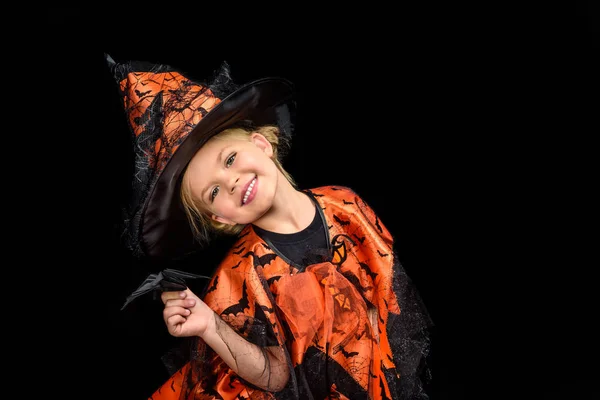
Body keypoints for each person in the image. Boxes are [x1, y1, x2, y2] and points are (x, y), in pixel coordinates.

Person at [106, 53, 433, 400]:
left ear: (261, 144)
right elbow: (276, 377)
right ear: (220, 217)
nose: (230, 181)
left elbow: (392, 301)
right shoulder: (243, 274)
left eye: (229, 159)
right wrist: (211, 326)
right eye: (213, 191)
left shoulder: (345, 205)